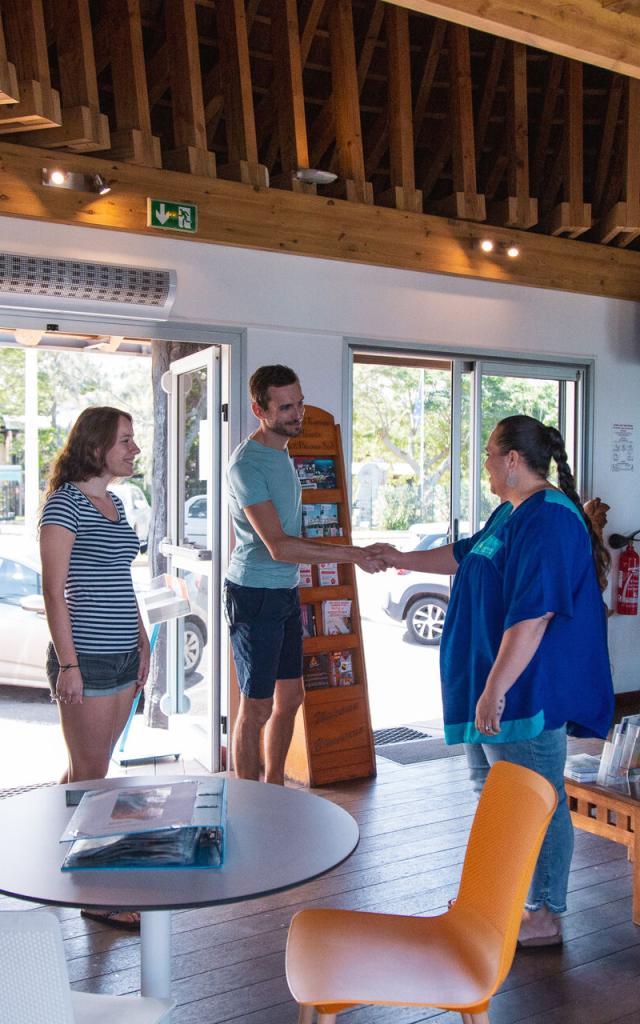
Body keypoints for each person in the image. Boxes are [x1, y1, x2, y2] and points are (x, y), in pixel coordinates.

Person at [373, 415, 614, 947]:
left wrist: (495, 688)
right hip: (492, 682)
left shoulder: (549, 519)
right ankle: (506, 899)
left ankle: (545, 913)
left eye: (487, 454)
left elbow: (535, 616)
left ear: (512, 459)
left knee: (535, 800)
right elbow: (464, 555)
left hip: (523, 691)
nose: (483, 463)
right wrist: (399, 560)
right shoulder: (511, 511)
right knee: (496, 797)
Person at [225, 364, 384, 785]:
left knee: (291, 696)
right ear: (260, 410)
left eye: (298, 402)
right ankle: (249, 799)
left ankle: (274, 788)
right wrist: (354, 553)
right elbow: (278, 546)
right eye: (287, 407)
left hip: (284, 590)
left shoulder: (282, 451)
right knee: (256, 706)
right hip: (254, 592)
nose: (298, 413)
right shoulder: (246, 464)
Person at [40, 406, 150, 931]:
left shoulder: (114, 502)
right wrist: (69, 666)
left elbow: (119, 582)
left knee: (89, 771)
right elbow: (54, 593)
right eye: (125, 440)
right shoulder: (65, 506)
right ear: (97, 444)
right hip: (86, 658)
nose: (134, 448)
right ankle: (94, 893)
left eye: (133, 439)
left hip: (124, 654)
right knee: (94, 779)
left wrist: (144, 639)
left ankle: (62, 864)